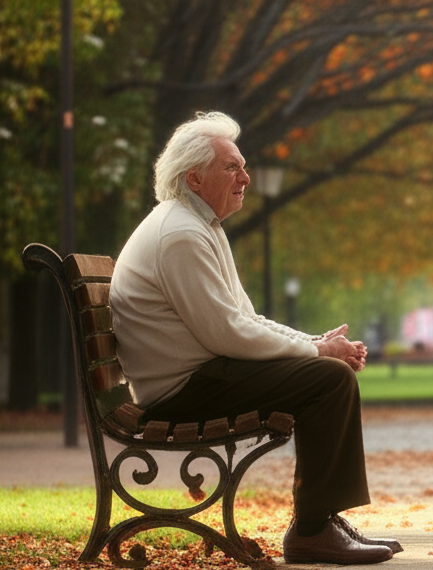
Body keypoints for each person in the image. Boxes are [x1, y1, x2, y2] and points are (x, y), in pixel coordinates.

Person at [109, 111, 398, 566]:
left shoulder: (197, 225)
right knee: (329, 380)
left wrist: (314, 341)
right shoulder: (181, 235)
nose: (245, 177)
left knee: (326, 373)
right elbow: (227, 333)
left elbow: (245, 318)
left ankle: (318, 521)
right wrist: (318, 351)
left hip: (200, 375)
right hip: (182, 390)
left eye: (241, 166)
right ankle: (313, 529)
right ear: (195, 178)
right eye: (232, 167)